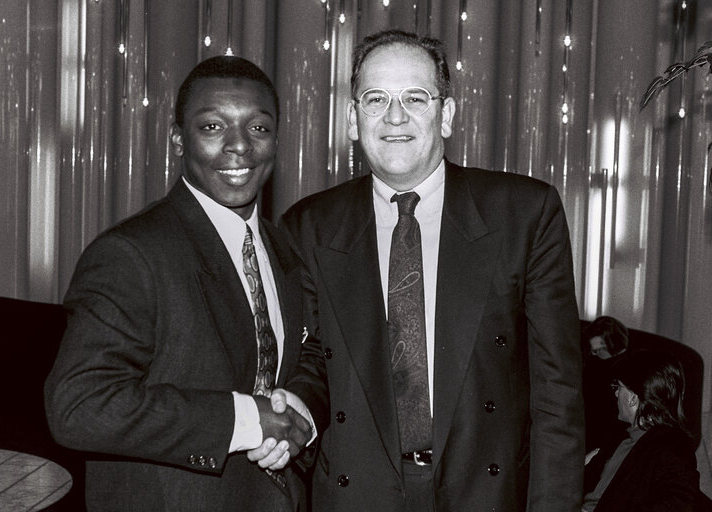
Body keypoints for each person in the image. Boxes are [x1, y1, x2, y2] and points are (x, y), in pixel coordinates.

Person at [278, 29, 584, 512]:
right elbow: (312, 361)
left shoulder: (524, 213)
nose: (395, 116)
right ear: (352, 121)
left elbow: (557, 394)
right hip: (356, 496)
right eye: (375, 98)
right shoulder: (308, 226)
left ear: (447, 114)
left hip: (485, 494)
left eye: (415, 98)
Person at [44, 55, 314, 511]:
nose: (239, 147)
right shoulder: (132, 254)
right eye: (212, 127)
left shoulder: (284, 247)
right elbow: (79, 407)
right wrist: (247, 419)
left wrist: (301, 410)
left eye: (258, 128)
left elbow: (302, 359)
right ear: (177, 139)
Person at [581, 350, 700, 511]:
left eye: (619, 387)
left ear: (633, 398)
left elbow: (680, 503)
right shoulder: (620, 439)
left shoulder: (672, 445)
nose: (616, 393)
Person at [581, 316, 631, 455]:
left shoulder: (629, 368)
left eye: (600, 349)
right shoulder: (593, 365)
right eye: (594, 350)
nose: (595, 353)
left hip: (613, 439)